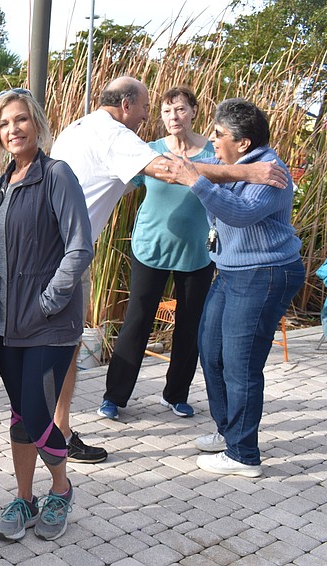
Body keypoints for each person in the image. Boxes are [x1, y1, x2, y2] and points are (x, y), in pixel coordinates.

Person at [49, 76, 288, 462]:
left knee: (66, 343)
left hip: (76, 250)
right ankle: (55, 430)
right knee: (63, 345)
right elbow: (167, 172)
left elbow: (127, 180)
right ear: (126, 105)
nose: (148, 117)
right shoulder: (116, 136)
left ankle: (55, 428)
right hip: (67, 252)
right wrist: (246, 173)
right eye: (148, 108)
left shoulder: (81, 127)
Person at [165, 98, 304, 477]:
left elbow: (241, 214)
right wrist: (198, 175)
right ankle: (229, 432)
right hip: (231, 271)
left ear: (243, 142)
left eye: (219, 134)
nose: (211, 139)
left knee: (240, 364)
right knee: (211, 351)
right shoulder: (235, 167)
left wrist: (196, 181)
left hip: (265, 273)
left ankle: (243, 454)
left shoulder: (271, 170)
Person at [0, 89, 93, 541]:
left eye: (21, 119)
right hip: (7, 326)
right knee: (20, 413)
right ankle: (24, 497)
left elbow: (79, 246)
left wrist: (48, 301)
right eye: (4, 123)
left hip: (50, 324)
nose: (13, 129)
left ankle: (61, 489)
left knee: (36, 410)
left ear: (38, 124)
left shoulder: (57, 175)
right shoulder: (1, 183)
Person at [99, 86, 215, 421]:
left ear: (193, 111)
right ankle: (114, 397)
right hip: (151, 246)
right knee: (136, 322)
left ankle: (176, 395)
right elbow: (122, 185)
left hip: (196, 252)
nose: (173, 117)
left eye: (180, 109)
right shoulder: (149, 151)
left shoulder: (212, 152)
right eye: (166, 111)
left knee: (189, 326)